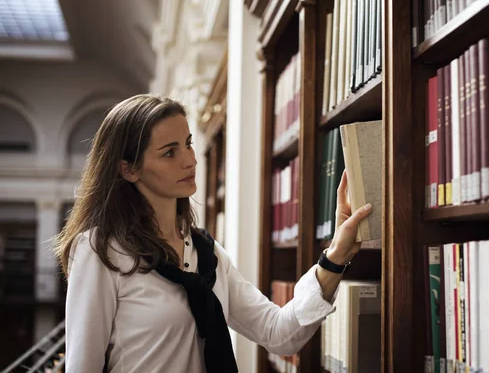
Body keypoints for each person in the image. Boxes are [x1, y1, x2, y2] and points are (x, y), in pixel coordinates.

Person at [54, 94, 372, 373]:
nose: (190, 160)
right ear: (129, 169)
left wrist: (336, 256)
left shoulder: (206, 253)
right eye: (169, 152)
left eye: (189, 144)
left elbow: (279, 334)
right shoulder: (99, 251)